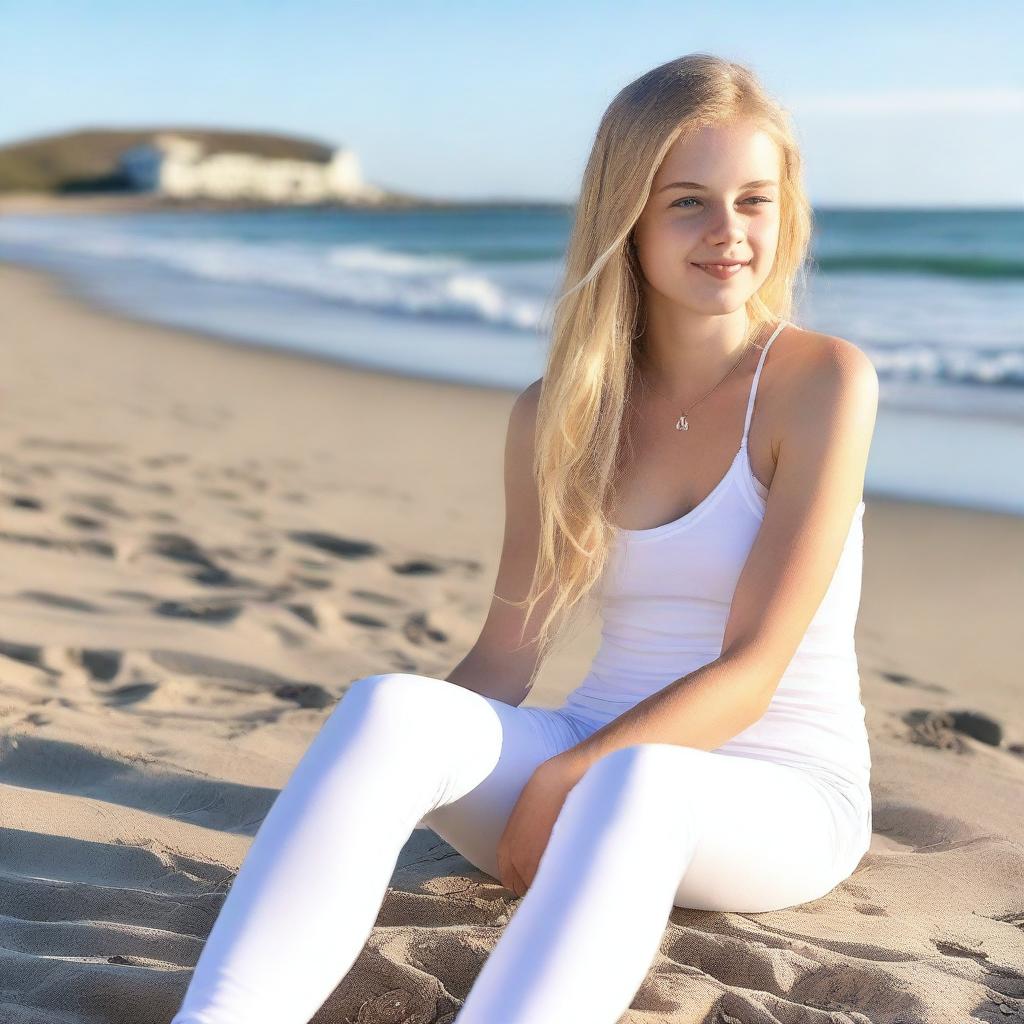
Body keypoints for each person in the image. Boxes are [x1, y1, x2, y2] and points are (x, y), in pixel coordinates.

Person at [170, 51, 878, 1024]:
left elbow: (754, 669)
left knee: (637, 783)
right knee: (389, 709)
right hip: (587, 763)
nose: (728, 233)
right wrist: (411, 777)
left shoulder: (822, 383)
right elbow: (506, 655)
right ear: (625, 214)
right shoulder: (561, 411)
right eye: (688, 202)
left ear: (783, 211)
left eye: (753, 200)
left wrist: (564, 780)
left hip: (775, 795)